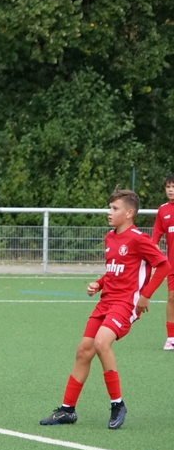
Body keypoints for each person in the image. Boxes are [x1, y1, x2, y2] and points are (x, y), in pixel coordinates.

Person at [40, 189, 171, 429]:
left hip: (126, 303)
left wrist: (146, 296)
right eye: (110, 208)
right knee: (83, 351)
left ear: (129, 213)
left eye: (114, 208)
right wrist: (99, 284)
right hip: (106, 302)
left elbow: (163, 265)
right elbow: (114, 271)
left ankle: (117, 404)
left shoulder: (139, 239)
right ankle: (68, 410)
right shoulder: (110, 237)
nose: (109, 212)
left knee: (102, 343)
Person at [150, 173, 174, 350]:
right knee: (172, 298)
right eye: (168, 187)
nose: (171, 190)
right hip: (172, 264)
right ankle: (171, 338)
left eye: (173, 186)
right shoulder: (163, 210)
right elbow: (155, 239)